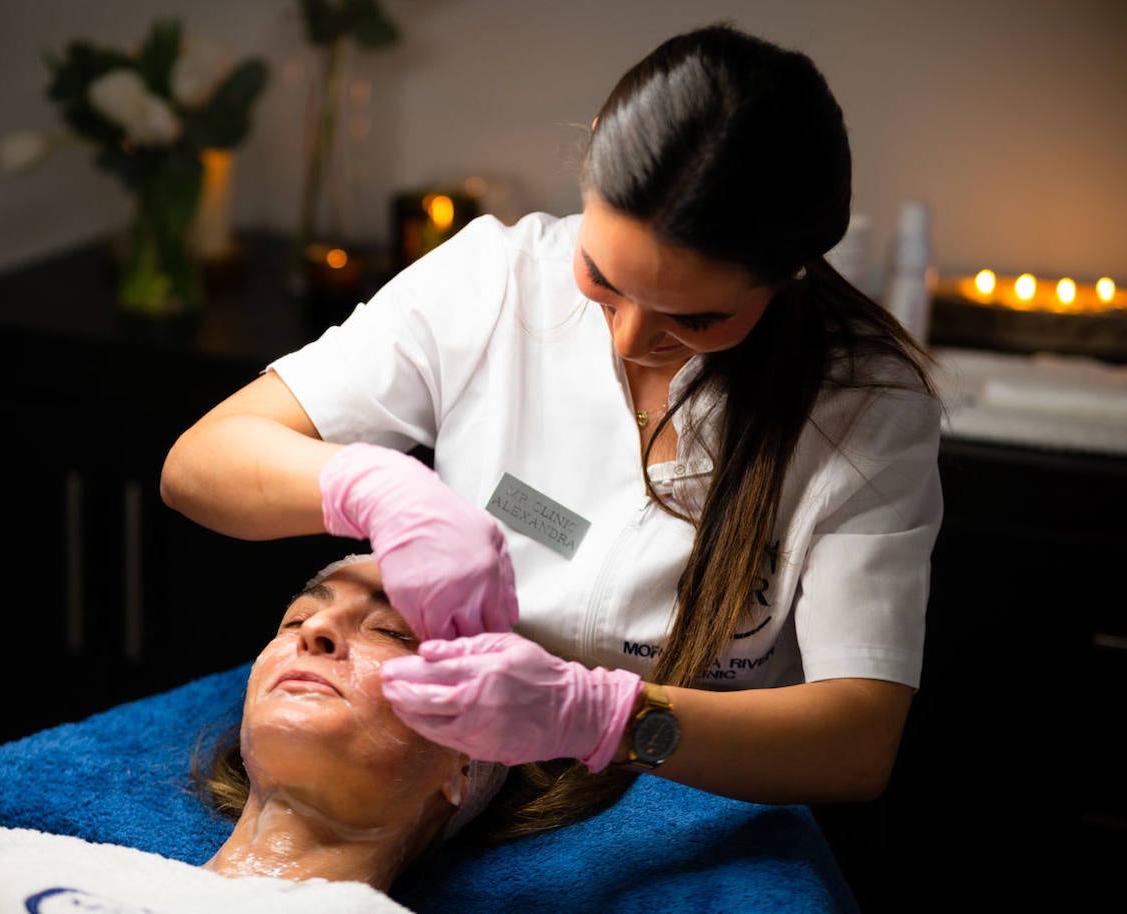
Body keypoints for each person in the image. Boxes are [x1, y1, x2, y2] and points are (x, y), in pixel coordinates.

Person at [160, 23, 942, 806]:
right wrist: (376, 487)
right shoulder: (494, 280)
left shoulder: (863, 409)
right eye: (602, 278)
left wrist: (602, 718)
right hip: (458, 767)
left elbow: (856, 742)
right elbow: (201, 463)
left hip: (688, 799)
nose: (631, 338)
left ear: (794, 270)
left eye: (695, 319)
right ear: (592, 156)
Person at [0, 557, 617, 914]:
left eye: (393, 634)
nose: (315, 632)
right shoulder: (4, 857)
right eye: (296, 618)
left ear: (468, 761)